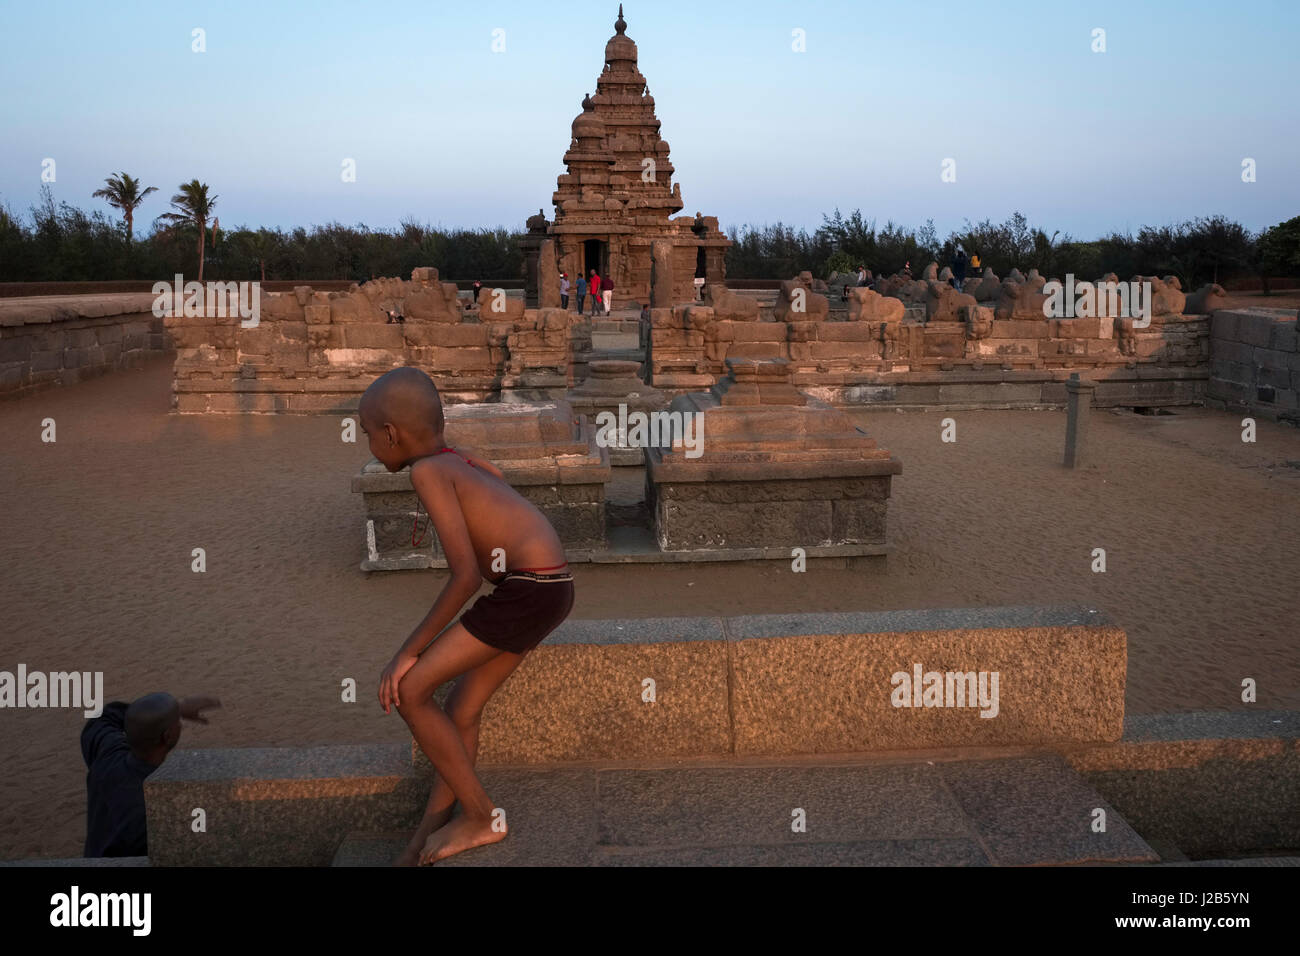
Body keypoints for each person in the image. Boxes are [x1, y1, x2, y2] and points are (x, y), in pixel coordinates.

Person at [360, 367, 575, 866]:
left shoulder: (427, 471)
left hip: (526, 589)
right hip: (553, 586)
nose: (369, 444)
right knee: (461, 711)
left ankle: (481, 816)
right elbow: (495, 483)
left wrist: (406, 652)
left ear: (391, 434)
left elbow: (465, 576)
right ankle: (430, 831)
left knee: (412, 690)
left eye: (368, 435)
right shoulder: (456, 459)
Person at [81, 692, 221, 857]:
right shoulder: (159, 804)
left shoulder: (107, 754)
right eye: (177, 722)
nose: (180, 725)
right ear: (167, 736)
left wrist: (171, 710)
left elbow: (104, 717)